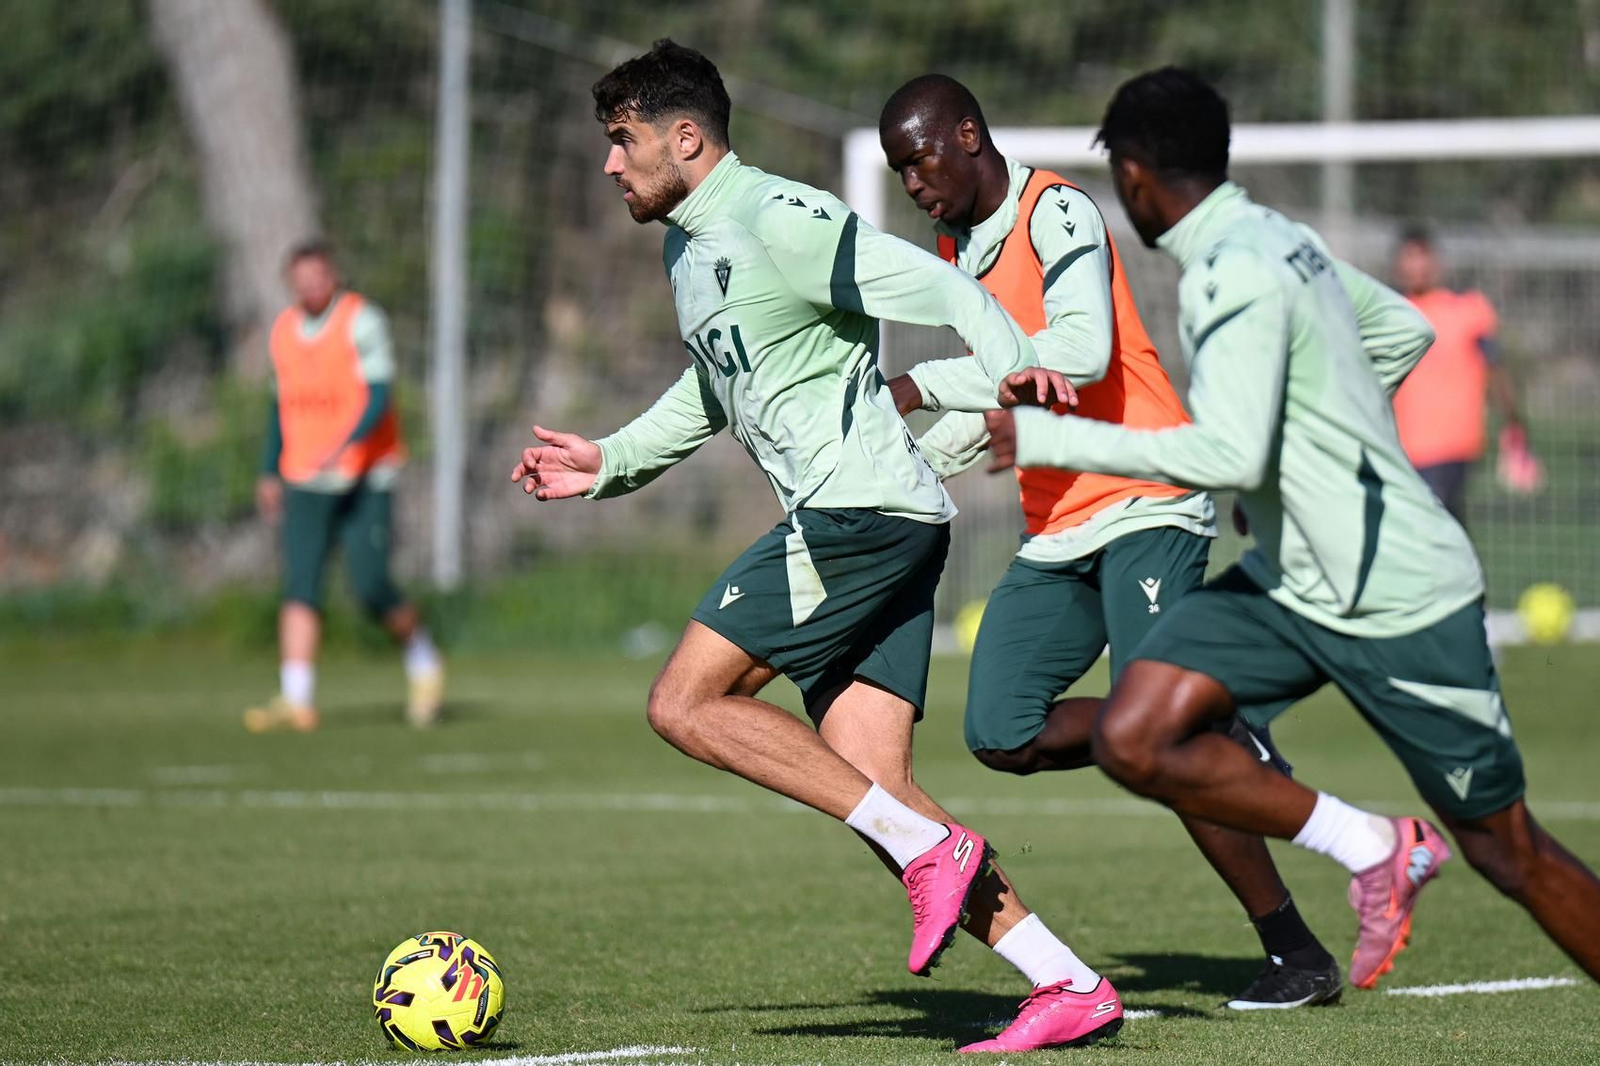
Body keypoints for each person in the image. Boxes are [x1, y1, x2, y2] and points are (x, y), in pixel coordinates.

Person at [513, 39, 1124, 1053]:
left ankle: (933, 850)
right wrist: (609, 460)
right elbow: (714, 388)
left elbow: (948, 294)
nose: (611, 163)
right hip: (882, 522)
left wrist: (1017, 370)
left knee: (683, 703)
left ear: (685, 137)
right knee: (876, 789)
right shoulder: (688, 249)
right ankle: (1065, 981)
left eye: (623, 140)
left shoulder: (780, 216)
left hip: (859, 514)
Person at [1008, 66, 1600, 989]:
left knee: (1505, 850)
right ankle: (1375, 845)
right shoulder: (1282, 238)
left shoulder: (1232, 269)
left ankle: (1403, 850)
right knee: (1135, 734)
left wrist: (1047, 434)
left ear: (1132, 176)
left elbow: (1232, 452)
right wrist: (1311, 461)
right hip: (1295, 581)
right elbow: (1400, 331)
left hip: (1398, 593)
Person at [877, 74, 1340, 1010]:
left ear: (967, 134)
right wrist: (907, 464)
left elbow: (1081, 353)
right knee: (999, 730)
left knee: (1159, 736)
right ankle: (1204, 718)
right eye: (899, 171)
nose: (913, 184)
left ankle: (1295, 952)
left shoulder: (1058, 211)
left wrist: (922, 384)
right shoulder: (957, 247)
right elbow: (1008, 396)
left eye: (919, 160)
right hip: (1057, 524)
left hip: (1146, 498)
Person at [248, 241, 444, 732]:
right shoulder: (284, 331)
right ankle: (297, 699)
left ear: (333, 275)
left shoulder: (362, 320)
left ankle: (423, 660)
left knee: (370, 583)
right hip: (305, 476)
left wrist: (345, 444)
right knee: (300, 585)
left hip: (364, 475)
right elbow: (280, 406)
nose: (310, 285)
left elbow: (378, 394)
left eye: (318, 275)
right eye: (301, 278)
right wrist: (269, 470)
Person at [1390, 227, 1538, 522]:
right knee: (1440, 524)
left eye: (1422, 257)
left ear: (1436, 262)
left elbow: (1495, 370)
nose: (1416, 266)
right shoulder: (1389, 312)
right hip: (1399, 445)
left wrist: (1514, 424)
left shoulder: (1468, 309)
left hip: (1452, 443)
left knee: (1431, 519)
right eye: (1409, 258)